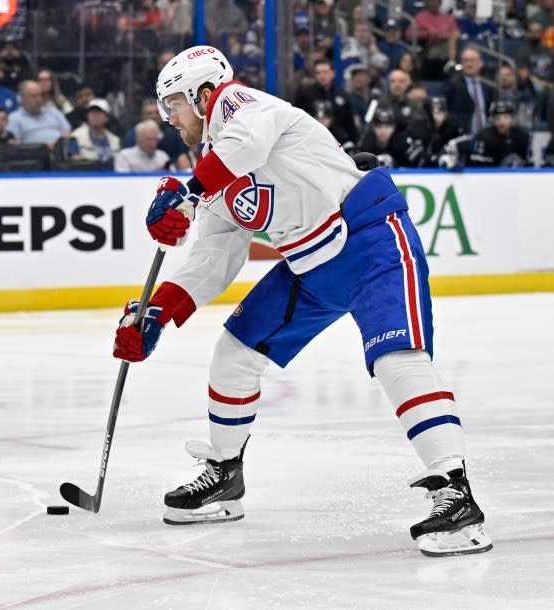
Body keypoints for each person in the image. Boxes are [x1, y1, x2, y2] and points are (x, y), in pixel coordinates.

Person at [112, 45, 492, 558]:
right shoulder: (211, 170)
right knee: (234, 354)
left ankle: (456, 496)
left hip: (369, 239)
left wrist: (187, 192)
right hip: (309, 264)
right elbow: (214, 257)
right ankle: (225, 475)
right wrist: (157, 313)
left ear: (204, 95)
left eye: (173, 104)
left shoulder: (238, 105)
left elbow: (244, 147)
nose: (169, 118)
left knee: (398, 360)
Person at [467, 100, 530, 167]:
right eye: (497, 118)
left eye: (506, 117)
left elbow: (527, 163)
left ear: (512, 119)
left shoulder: (522, 137)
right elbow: (477, 165)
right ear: (493, 120)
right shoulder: (484, 137)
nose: (502, 122)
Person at [70, 97, 120, 164]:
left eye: (98, 112)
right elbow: (75, 161)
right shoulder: (76, 136)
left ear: (106, 118)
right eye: (91, 112)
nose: (94, 115)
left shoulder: (115, 140)